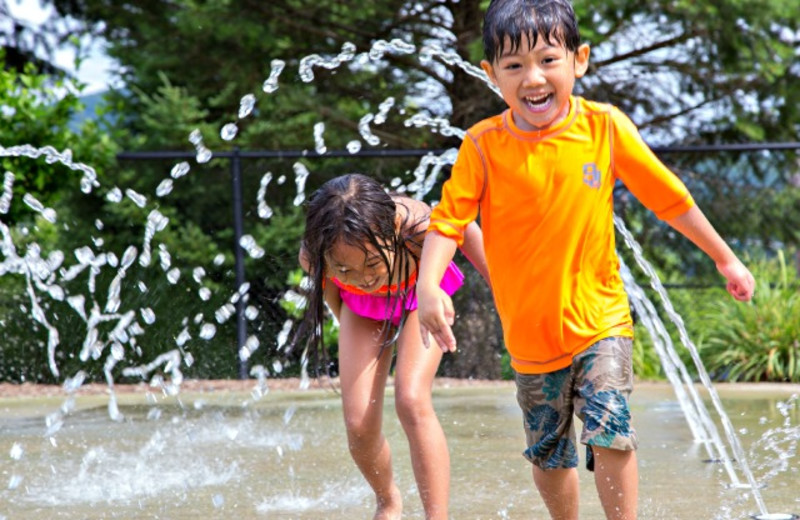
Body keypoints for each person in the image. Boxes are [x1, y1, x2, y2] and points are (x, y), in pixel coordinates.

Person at [415, 1, 755, 519]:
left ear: (580, 60)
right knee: (549, 454)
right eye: (514, 66)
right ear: (490, 74)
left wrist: (725, 259)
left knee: (610, 429)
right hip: (530, 337)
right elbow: (448, 221)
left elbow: (669, 198)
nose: (534, 78)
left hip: (601, 321)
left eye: (549, 59)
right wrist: (428, 286)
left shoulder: (604, 128)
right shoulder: (484, 147)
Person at [298, 173, 488, 520]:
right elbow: (331, 292)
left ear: (392, 233)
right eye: (346, 268)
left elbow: (464, 228)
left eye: (372, 262)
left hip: (423, 294)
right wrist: (350, 318)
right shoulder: (315, 256)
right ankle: (387, 500)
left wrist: (503, 290)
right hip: (363, 307)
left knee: (411, 399)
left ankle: (437, 516)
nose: (365, 275)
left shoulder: (416, 225)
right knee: (358, 424)